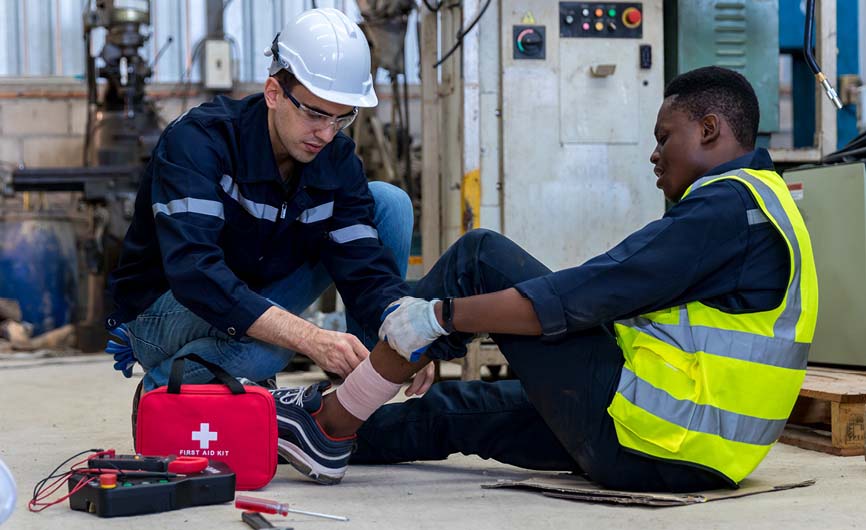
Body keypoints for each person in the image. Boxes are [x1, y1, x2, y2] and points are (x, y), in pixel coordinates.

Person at [272, 66, 818, 491]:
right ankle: (301, 435)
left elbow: (591, 291)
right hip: (684, 453)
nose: (654, 155)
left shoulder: (727, 209)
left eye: (664, 137)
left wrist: (440, 319)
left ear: (709, 129)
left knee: (479, 257)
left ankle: (338, 406)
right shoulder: (767, 205)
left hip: (651, 434)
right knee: (462, 414)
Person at [104, 8, 435, 403]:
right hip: (167, 307)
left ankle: (360, 400)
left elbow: (363, 266)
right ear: (274, 93)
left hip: (256, 289)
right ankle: (162, 390)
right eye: (315, 113)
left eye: (341, 119)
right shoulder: (199, 141)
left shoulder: (335, 157)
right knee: (269, 350)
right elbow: (195, 272)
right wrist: (307, 337)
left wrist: (407, 331)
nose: (326, 134)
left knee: (389, 203)